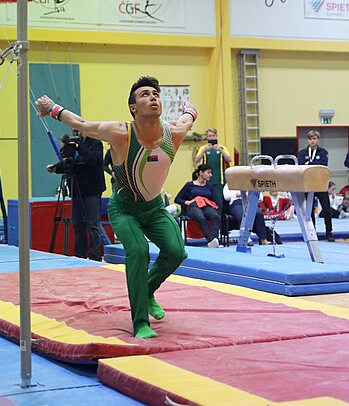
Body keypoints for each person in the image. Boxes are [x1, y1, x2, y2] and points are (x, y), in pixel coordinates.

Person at [35, 76, 196, 339]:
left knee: (177, 252)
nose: (153, 97)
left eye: (155, 93)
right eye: (145, 94)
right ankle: (140, 321)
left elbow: (189, 118)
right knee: (139, 250)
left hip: (154, 208)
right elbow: (82, 124)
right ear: (133, 107)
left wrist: (190, 109)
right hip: (124, 208)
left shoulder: (174, 133)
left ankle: (146, 291)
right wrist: (52, 107)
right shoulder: (120, 133)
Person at [46, 133, 106, 261]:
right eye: (73, 130)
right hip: (76, 189)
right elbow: (69, 163)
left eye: (77, 129)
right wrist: (56, 168)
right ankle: (80, 255)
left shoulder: (95, 143)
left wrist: (79, 147)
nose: (75, 133)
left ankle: (95, 255)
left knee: (93, 224)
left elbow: (94, 160)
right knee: (78, 224)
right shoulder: (73, 145)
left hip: (92, 190)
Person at [297, 130, 334, 241]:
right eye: (310, 139)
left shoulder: (323, 152)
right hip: (308, 185)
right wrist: (312, 165)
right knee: (310, 210)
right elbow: (300, 165)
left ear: (318, 140)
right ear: (308, 140)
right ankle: (312, 232)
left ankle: (329, 232)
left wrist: (309, 164)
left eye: (314, 139)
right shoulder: (302, 153)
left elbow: (323, 165)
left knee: (327, 209)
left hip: (320, 184)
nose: (312, 141)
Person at [174, 164, 221, 248]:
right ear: (201, 173)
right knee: (201, 218)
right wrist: (187, 202)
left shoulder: (209, 186)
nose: (211, 175)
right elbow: (177, 199)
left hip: (205, 206)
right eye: (208, 172)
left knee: (215, 216)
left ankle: (214, 239)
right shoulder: (189, 185)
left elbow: (215, 200)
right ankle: (211, 240)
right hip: (193, 206)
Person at [193, 128, 232, 211]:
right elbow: (196, 160)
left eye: (213, 136)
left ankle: (220, 221)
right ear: (207, 138)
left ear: (216, 136)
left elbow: (229, 159)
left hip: (219, 180)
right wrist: (204, 150)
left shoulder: (222, 148)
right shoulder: (203, 148)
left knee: (219, 202)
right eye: (209, 136)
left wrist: (220, 150)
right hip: (206, 181)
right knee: (208, 201)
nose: (211, 138)